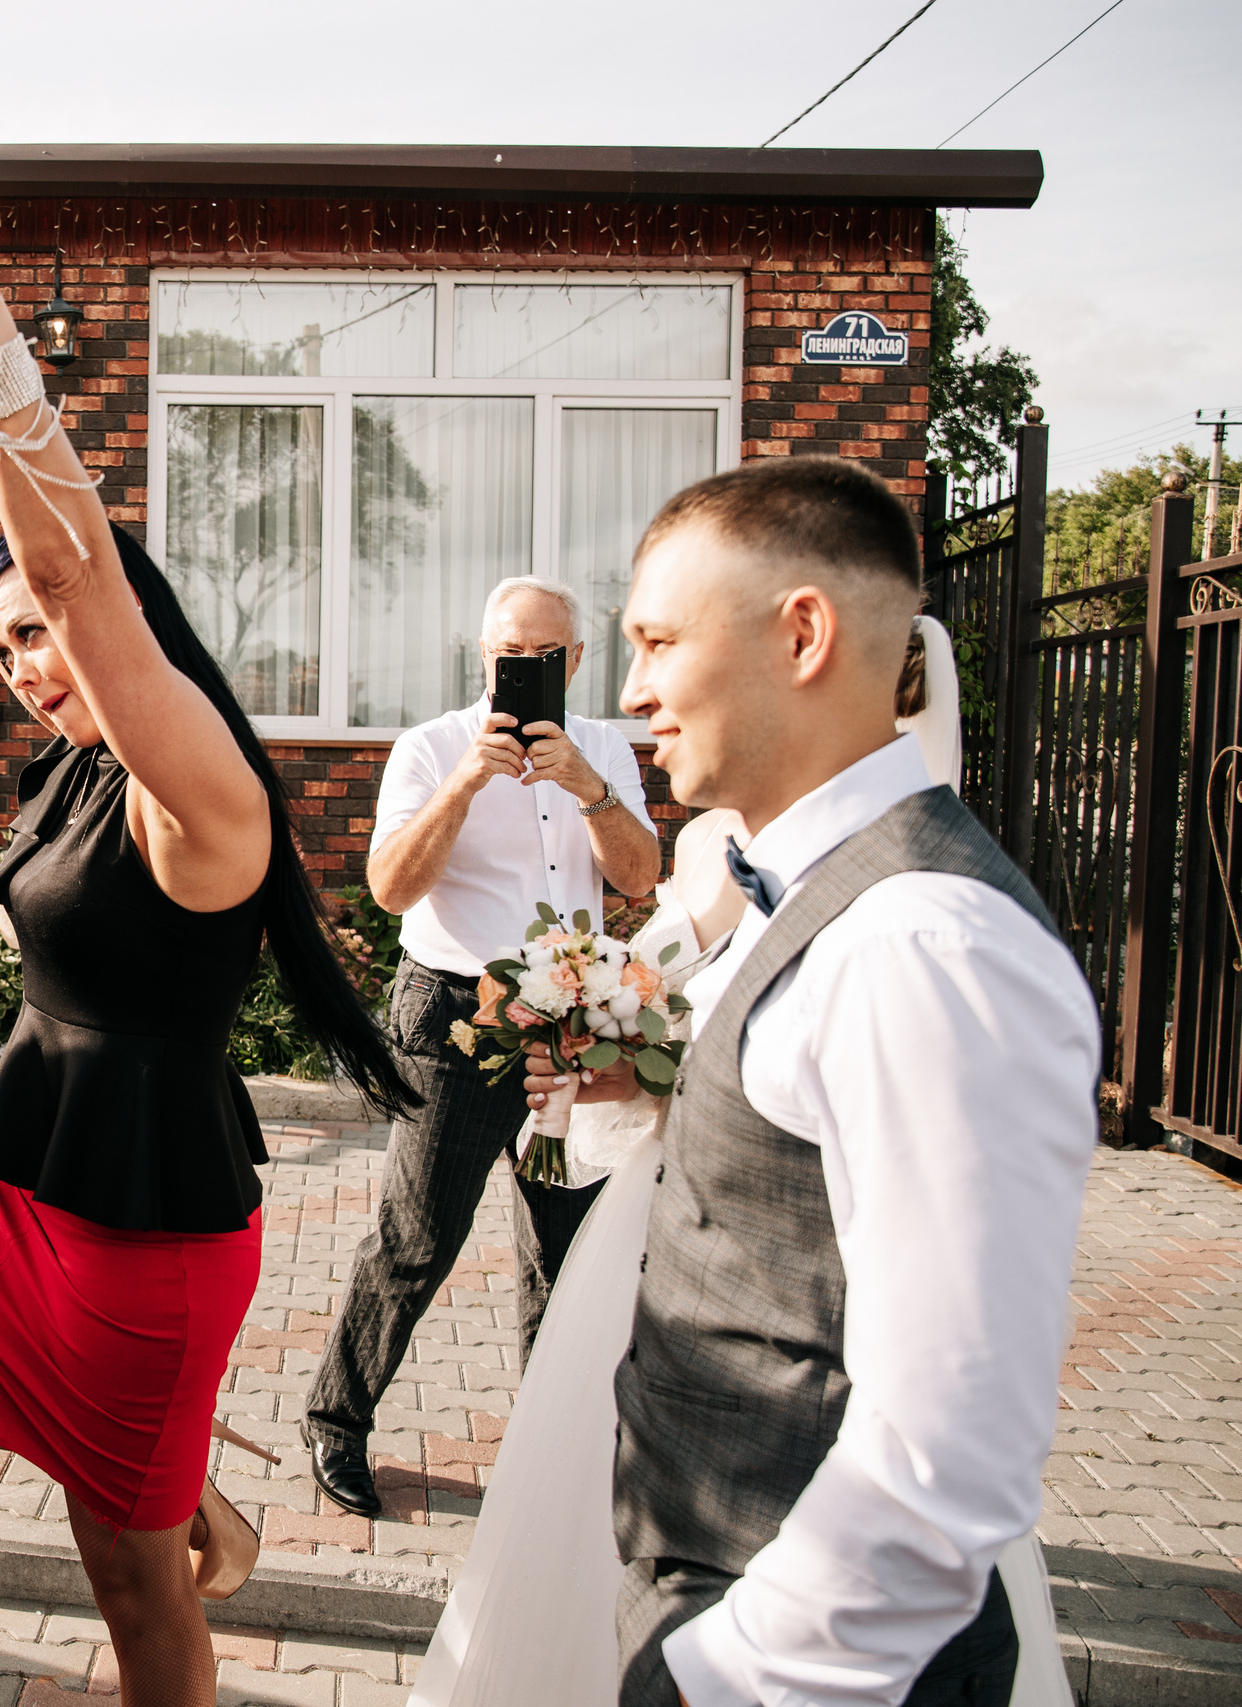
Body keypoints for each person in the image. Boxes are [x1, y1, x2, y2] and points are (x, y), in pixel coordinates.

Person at [0, 111, 407, 1706]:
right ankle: (157, 1470)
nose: (25, 655)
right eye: (6, 644)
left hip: (149, 1236)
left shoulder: (196, 790)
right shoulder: (72, 755)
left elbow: (64, 572)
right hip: (19, 1179)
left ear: (132, 633)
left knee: (137, 1600)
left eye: (48, 636)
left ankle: (154, 1485)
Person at [409, 610, 1077, 1707]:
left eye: (665, 647)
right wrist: (601, 1052)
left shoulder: (921, 929)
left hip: (783, 1405)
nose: (634, 694)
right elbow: (685, 1010)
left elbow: (958, 1391)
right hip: (668, 1301)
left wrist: (725, 1672)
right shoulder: (731, 847)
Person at [300, 573, 660, 1517]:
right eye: (509, 656)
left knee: (563, 1249)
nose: (525, 672)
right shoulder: (430, 749)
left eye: (544, 657)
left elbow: (638, 877)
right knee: (417, 1239)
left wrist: (588, 787)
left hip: (568, 1026)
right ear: (483, 656)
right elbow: (388, 886)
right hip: (454, 1017)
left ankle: (548, 1452)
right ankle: (337, 1419)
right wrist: (467, 781)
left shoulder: (607, 749)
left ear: (576, 661)